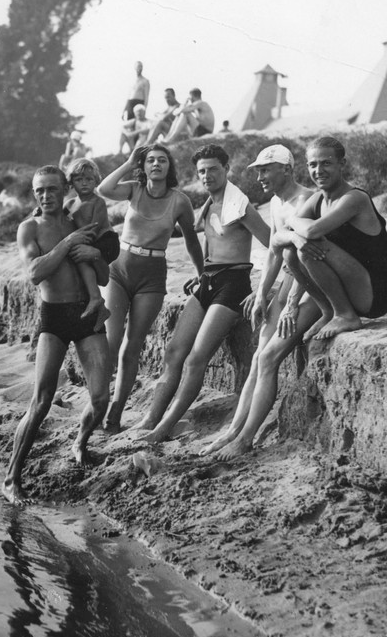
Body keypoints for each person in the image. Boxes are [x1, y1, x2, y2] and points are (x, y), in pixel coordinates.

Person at [131, 143, 270, 444]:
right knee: (173, 353)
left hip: (233, 286)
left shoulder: (240, 205)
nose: (207, 176)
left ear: (226, 169)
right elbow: (209, 241)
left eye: (213, 170)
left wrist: (262, 289)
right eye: (202, 171)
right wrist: (200, 275)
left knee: (196, 360)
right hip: (208, 282)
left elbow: (274, 244)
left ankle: (164, 427)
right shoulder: (209, 203)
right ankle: (150, 418)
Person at [2, 165, 112, 504]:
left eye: (52, 189)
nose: (46, 196)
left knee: (100, 400)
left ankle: (80, 442)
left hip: (87, 313)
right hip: (53, 318)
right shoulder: (29, 228)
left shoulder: (79, 220)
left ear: (65, 189)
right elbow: (35, 272)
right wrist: (67, 244)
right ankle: (11, 479)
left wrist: (94, 254)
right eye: (39, 191)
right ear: (34, 194)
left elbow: (104, 278)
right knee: (41, 402)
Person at [200, 144, 314, 457]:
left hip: (313, 287)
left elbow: (305, 258)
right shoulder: (277, 203)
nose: (260, 176)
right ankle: (233, 430)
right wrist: (262, 292)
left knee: (268, 358)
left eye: (266, 170)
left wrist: (291, 302)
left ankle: (246, 439)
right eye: (257, 171)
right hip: (291, 281)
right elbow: (275, 252)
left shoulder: (305, 200)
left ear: (287, 169)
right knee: (257, 358)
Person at [96, 145, 203, 433]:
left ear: (170, 167)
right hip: (119, 270)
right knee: (110, 341)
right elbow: (104, 189)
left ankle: (116, 412)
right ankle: (99, 403)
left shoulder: (180, 201)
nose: (156, 164)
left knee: (132, 347)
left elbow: (192, 242)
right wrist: (129, 162)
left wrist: (201, 273)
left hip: (152, 277)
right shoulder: (134, 189)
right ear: (143, 167)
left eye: (162, 160)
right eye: (150, 160)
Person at [281, 135, 387, 341]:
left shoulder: (354, 198)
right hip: (353, 284)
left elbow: (311, 232)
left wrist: (293, 222)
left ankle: (346, 315)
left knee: (308, 247)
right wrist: (293, 231)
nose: (319, 171)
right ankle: (329, 311)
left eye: (326, 163)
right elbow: (284, 233)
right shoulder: (318, 198)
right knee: (290, 252)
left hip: (375, 294)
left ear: (341, 164)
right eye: (313, 165)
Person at [64, 157, 119, 331]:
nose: (84, 183)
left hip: (106, 241)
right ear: (71, 182)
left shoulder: (97, 202)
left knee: (80, 256)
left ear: (96, 180)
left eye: (89, 179)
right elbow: (56, 215)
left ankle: (96, 299)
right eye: (79, 179)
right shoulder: (71, 203)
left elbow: (95, 227)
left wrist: (79, 240)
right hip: (88, 240)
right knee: (77, 259)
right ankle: (99, 307)